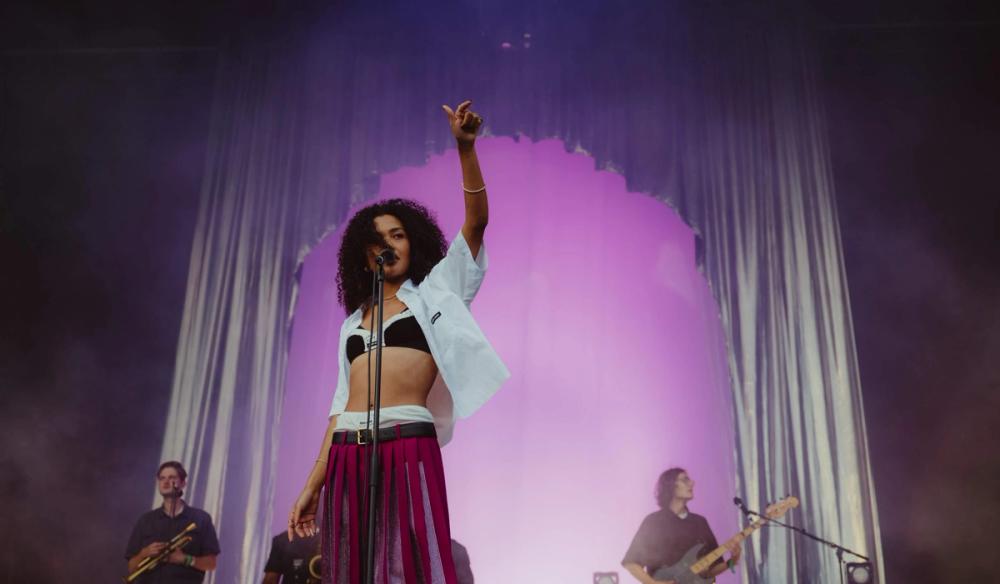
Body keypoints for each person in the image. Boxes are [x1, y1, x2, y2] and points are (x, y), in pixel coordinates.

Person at [288, 100, 508, 584]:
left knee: (411, 565)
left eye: (399, 234)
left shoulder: (437, 291)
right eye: (380, 239)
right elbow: (340, 407)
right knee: (353, 569)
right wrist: (312, 485)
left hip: (408, 442)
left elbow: (476, 226)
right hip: (348, 449)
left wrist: (465, 149)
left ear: (413, 243)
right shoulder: (352, 324)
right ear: (367, 257)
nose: (391, 243)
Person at [622, 468, 741, 584]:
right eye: (685, 479)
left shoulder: (700, 522)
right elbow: (631, 562)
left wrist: (732, 561)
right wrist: (652, 583)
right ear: (671, 486)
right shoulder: (653, 522)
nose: (692, 483)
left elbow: (710, 572)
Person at [124, 461, 220, 583]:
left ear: (183, 483)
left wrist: (185, 559)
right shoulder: (145, 520)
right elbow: (131, 567)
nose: (166, 481)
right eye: (162, 478)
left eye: (172, 477)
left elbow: (211, 563)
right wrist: (144, 553)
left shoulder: (201, 518)